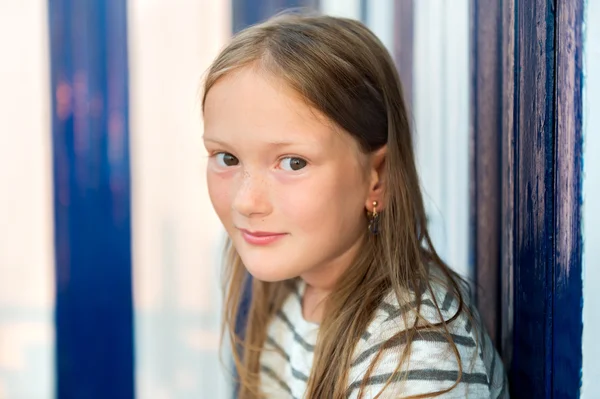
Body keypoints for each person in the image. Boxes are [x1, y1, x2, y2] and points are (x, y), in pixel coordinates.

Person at [201, 11, 507, 399]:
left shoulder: (413, 349)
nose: (246, 201)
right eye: (227, 158)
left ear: (376, 177)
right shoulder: (293, 292)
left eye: (293, 163)